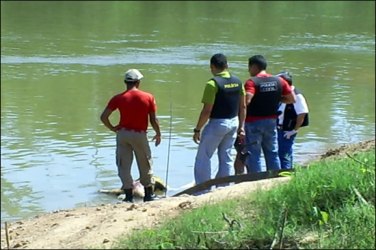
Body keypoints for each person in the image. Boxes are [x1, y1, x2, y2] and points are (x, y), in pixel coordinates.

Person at [100, 69, 161, 203]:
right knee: (145, 163)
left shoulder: (118, 98)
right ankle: (148, 195)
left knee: (123, 164)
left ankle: (128, 196)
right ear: (138, 82)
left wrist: (113, 129)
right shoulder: (148, 97)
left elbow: (104, 117)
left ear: (125, 82)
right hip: (139, 134)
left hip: (123, 134)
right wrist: (158, 133)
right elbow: (153, 119)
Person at [193, 53, 246, 194]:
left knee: (204, 157)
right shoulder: (238, 82)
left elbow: (207, 110)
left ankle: (203, 190)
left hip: (217, 123)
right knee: (226, 156)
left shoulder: (212, 84)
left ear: (212, 67)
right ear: (227, 66)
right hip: (234, 122)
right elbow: (243, 107)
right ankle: (223, 188)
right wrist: (241, 127)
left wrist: (197, 129)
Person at [244, 55, 295, 173]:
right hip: (271, 122)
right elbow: (291, 99)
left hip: (253, 122)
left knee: (253, 154)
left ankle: (255, 180)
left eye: (249, 67)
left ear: (254, 66)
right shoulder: (279, 81)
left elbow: (246, 101)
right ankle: (275, 178)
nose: (249, 70)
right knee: (272, 152)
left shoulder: (252, 82)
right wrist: (276, 99)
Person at [276, 71, 309, 169]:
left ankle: (286, 175)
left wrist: (294, 130)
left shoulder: (297, 95)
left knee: (285, 154)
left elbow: (302, 113)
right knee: (279, 153)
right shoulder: (282, 94)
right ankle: (282, 172)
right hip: (278, 128)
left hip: (287, 130)